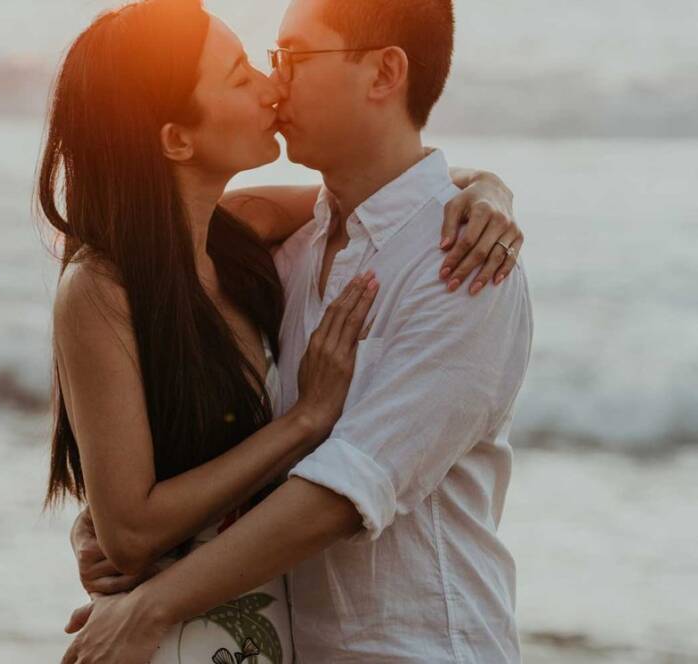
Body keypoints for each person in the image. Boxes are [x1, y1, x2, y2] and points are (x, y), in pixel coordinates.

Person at [43, 1, 527, 662]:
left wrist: (489, 188)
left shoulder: (461, 265)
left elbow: (346, 489)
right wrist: (109, 523)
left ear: (384, 74)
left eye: (293, 60)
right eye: (254, 69)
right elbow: (189, 452)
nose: (274, 85)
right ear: (175, 137)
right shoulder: (279, 253)